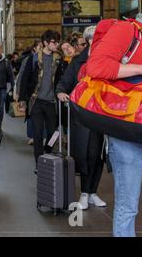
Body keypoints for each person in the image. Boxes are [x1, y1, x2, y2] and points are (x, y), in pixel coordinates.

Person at [84, 0, 142, 237]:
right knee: (128, 206)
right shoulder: (128, 30)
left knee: (128, 205)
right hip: (127, 130)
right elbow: (96, 66)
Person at [55, 25, 107, 211]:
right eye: (93, 38)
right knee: (85, 155)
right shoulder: (77, 61)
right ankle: (85, 193)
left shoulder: (108, 60)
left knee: (98, 155)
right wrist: (61, 92)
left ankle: (92, 192)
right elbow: (64, 82)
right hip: (82, 116)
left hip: (102, 115)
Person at [19, 30, 65, 172]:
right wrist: (22, 100)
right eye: (53, 42)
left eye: (57, 42)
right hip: (36, 101)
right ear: (45, 42)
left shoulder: (59, 59)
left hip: (52, 102)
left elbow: (62, 79)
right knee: (38, 134)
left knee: (53, 133)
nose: (56, 44)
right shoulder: (33, 58)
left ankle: (47, 153)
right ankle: (40, 164)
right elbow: (25, 79)